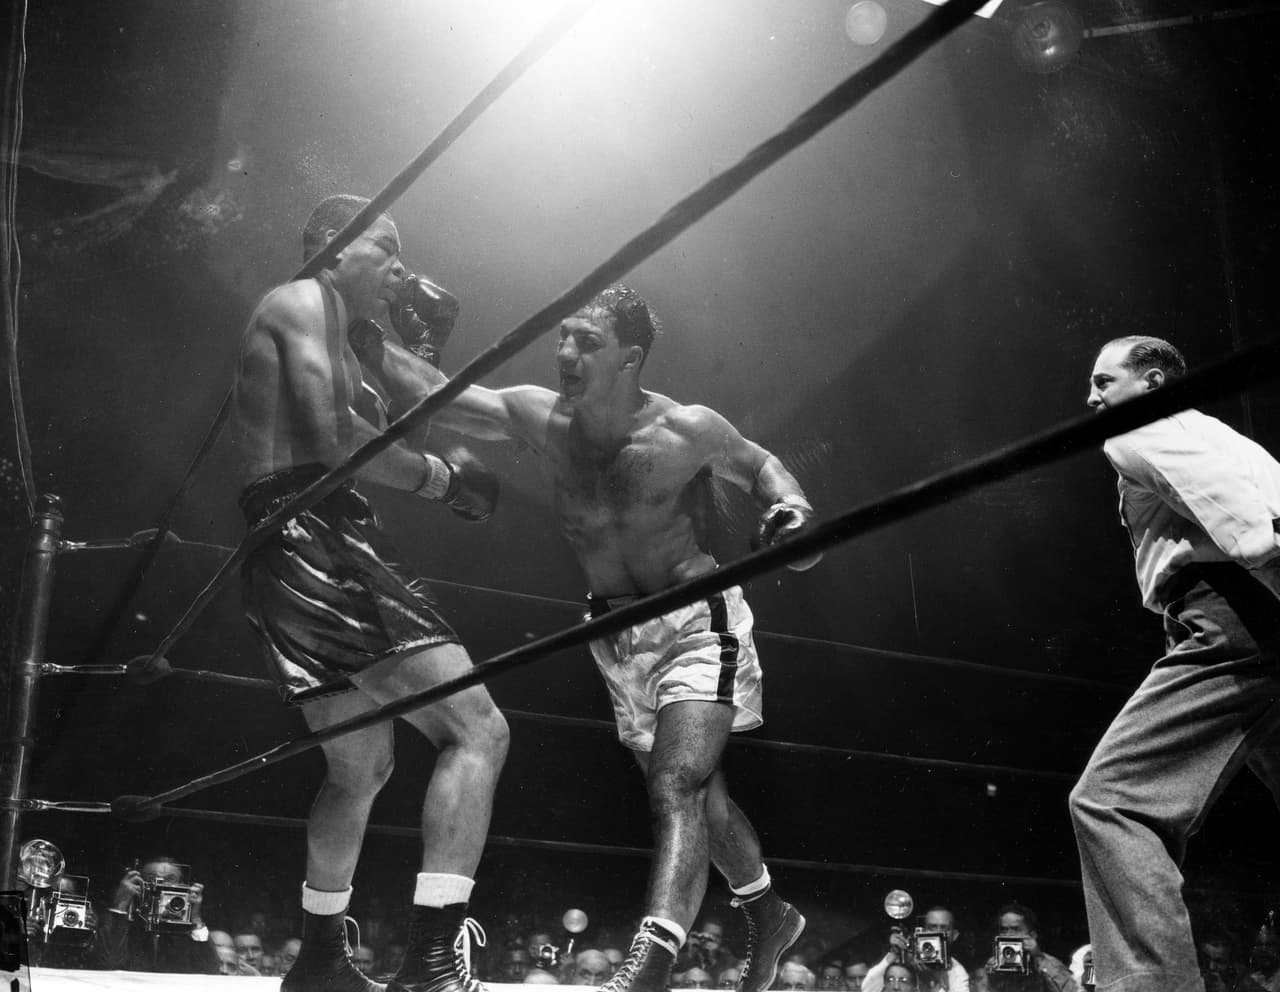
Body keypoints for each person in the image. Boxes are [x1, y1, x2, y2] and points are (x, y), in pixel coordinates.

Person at [349, 284, 820, 992]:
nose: (565, 352)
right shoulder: (542, 416)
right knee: (699, 799)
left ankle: (650, 963)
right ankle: (768, 910)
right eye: (563, 336)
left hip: (696, 618)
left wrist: (792, 510)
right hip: (615, 634)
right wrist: (363, 328)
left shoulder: (684, 428)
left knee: (676, 783)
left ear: (630, 358)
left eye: (586, 342)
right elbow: (441, 397)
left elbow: (759, 464)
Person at [231, 193, 510, 992]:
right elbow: (331, 440)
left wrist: (411, 345)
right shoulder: (304, 296)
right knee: (478, 730)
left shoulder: (339, 329)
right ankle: (430, 963)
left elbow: (419, 411)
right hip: (320, 531)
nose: (396, 264)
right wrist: (440, 479)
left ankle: (319, 960)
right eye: (384, 246)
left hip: (279, 547)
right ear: (330, 242)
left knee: (359, 771)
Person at [1070, 335, 1280, 992]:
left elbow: (1253, 530)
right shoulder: (1225, 436)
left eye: (1105, 382)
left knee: (1113, 802)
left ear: (1153, 382)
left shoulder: (1136, 431)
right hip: (1262, 617)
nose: (1092, 397)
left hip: (1233, 622)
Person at [91, 858, 221, 974]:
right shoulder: (125, 922)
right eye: (152, 880)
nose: (160, 887)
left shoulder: (188, 931)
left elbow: (210, 971)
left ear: (184, 886)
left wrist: (196, 918)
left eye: (170, 880)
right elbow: (107, 964)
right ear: (139, 884)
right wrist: (121, 904)